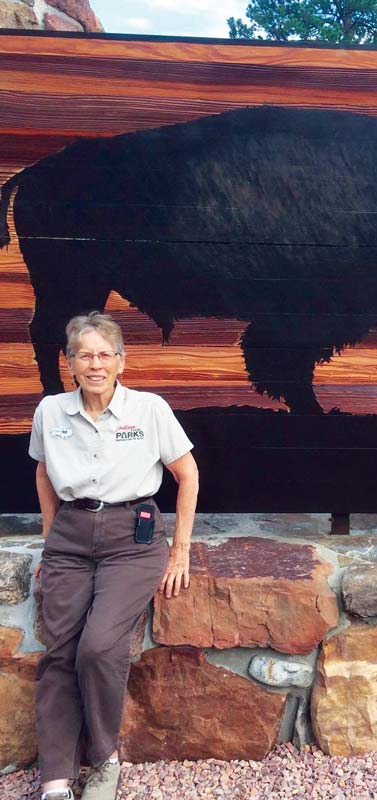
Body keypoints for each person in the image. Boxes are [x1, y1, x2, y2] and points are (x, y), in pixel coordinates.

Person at [29, 312, 199, 800]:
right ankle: (55, 779)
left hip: (133, 541)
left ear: (122, 362)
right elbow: (43, 474)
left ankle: (104, 758)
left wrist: (180, 551)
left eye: (105, 355)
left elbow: (187, 474)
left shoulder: (148, 409)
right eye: (84, 355)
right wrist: (51, 539)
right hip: (70, 539)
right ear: (69, 363)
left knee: (98, 646)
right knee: (59, 653)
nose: (95, 364)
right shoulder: (50, 412)